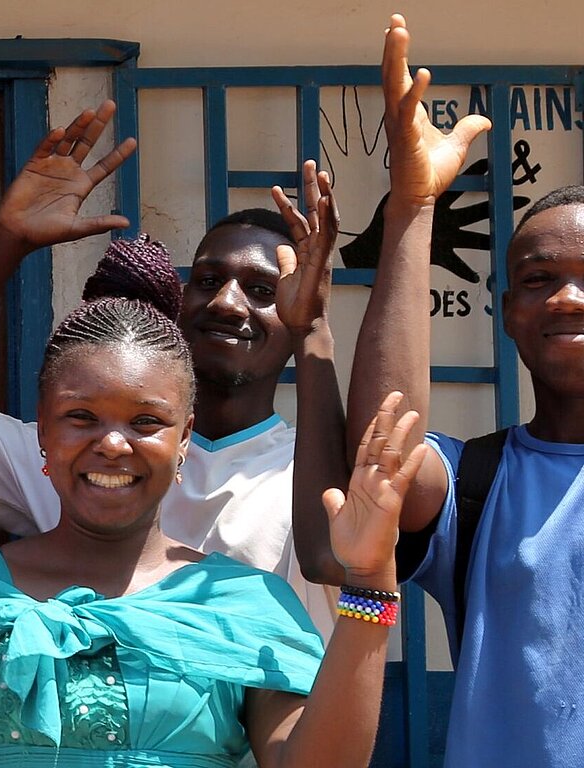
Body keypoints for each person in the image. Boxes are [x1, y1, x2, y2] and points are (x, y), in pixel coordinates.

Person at [0, 226, 427, 765]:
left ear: (184, 438)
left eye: (146, 421)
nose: (113, 444)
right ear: (41, 431)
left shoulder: (247, 604)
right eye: (81, 417)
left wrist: (371, 582)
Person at [0, 101, 346, 639]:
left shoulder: (312, 471)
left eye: (264, 291)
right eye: (207, 280)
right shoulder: (72, 451)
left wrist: (313, 328)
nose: (226, 302)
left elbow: (335, 556)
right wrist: (7, 240)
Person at [298, 13, 583, 767]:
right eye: (540, 280)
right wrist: (413, 206)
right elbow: (383, 454)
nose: (567, 299)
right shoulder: (480, 483)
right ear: (509, 313)